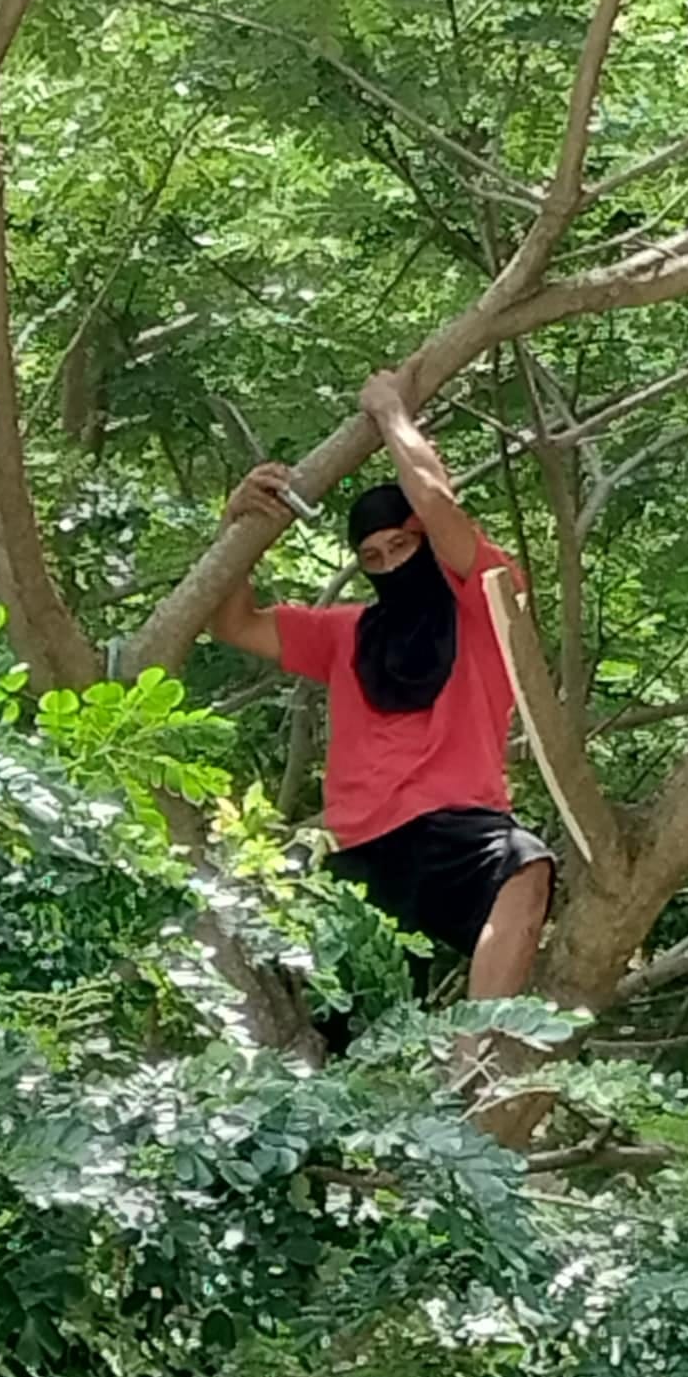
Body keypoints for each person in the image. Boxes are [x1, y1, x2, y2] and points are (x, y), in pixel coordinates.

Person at [208, 371, 555, 1002]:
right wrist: (240, 527)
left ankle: (480, 1053)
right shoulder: (346, 633)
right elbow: (232, 622)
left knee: (524, 867)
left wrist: (390, 411)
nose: (392, 563)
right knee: (346, 1025)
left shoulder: (487, 603)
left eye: (402, 545)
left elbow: (436, 504)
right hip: (358, 848)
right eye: (374, 557)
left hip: (458, 828)